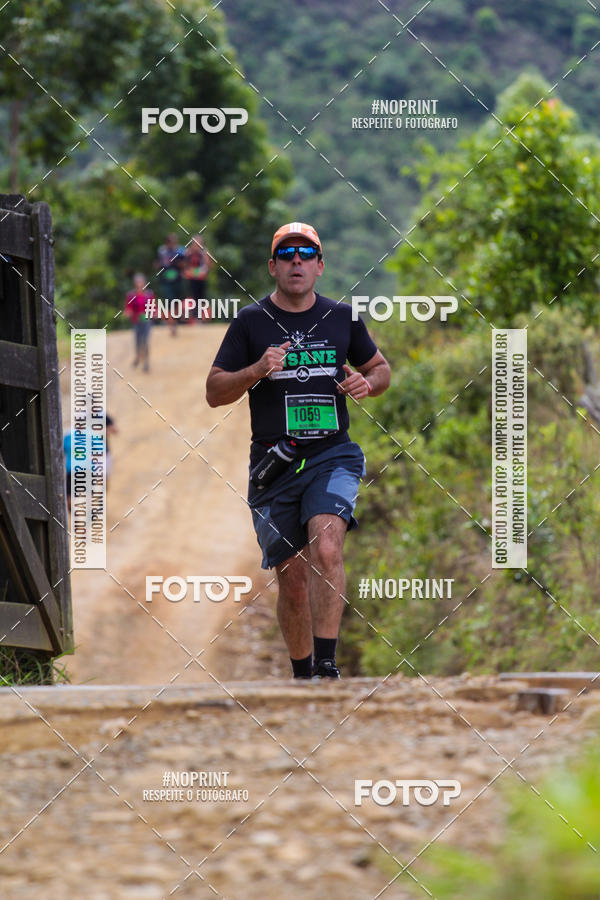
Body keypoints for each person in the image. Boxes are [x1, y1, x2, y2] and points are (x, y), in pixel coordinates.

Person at [206, 222, 391, 680]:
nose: (296, 261)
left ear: (320, 266)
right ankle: (302, 675)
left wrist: (367, 383)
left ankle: (327, 668)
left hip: (333, 455)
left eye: (306, 254)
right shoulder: (250, 322)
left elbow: (381, 368)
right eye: (286, 254)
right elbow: (214, 392)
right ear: (272, 266)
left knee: (327, 547)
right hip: (274, 464)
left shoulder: (343, 318)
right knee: (291, 578)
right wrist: (256, 369)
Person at [155, 233, 185, 335]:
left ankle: (175, 322)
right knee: (169, 302)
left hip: (178, 280)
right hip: (166, 281)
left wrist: (178, 262)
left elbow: (184, 263)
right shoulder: (162, 251)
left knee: (177, 303)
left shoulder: (180, 250)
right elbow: (158, 263)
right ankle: (172, 324)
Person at [124, 273, 154, 371]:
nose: (139, 284)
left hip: (146, 321)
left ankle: (146, 362)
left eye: (141, 282)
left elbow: (153, 307)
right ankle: (137, 356)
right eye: (138, 282)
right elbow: (128, 308)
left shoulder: (149, 295)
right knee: (137, 341)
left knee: (145, 341)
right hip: (136, 321)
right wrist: (128, 313)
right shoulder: (131, 295)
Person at [183, 234, 211, 323]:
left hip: (201, 278)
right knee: (193, 297)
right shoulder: (188, 252)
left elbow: (207, 265)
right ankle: (193, 318)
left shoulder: (204, 252)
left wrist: (201, 271)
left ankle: (200, 317)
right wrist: (189, 272)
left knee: (201, 298)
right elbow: (185, 265)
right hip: (191, 279)